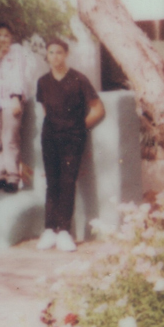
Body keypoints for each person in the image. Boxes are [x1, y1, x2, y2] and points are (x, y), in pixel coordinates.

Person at [36, 39, 105, 253]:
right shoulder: (43, 82)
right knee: (52, 183)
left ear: (66, 54)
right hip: (50, 136)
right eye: (51, 52)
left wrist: (78, 127)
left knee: (67, 182)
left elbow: (98, 109)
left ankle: (64, 231)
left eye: (59, 52)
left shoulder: (78, 79)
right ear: (47, 55)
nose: (55, 56)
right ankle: (49, 230)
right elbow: (46, 109)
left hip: (73, 138)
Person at [0, 23, 34, 192]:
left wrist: (16, 98)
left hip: (11, 100)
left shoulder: (17, 52)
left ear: (11, 38)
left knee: (10, 138)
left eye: (6, 35)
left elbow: (19, 76)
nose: (3, 38)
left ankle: (12, 177)